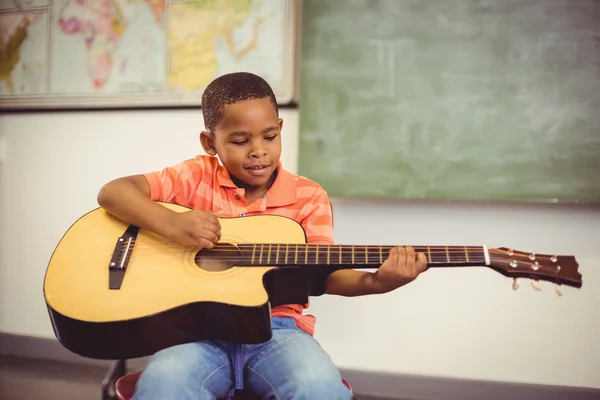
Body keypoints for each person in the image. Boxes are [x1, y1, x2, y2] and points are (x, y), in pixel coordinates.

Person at [97, 72, 428, 400]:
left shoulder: (308, 197)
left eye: (269, 137)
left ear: (280, 129)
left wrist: (377, 282)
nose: (258, 151)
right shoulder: (194, 177)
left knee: (318, 387)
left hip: (278, 331)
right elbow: (113, 192)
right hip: (197, 331)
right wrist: (171, 223)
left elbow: (322, 275)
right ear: (209, 142)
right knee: (165, 385)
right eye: (240, 141)